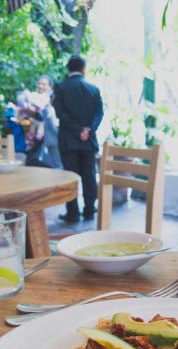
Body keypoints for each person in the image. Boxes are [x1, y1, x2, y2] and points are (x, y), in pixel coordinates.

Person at [53, 55, 104, 223]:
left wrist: (78, 130)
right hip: (88, 140)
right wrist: (88, 129)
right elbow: (99, 113)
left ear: (68, 69)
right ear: (83, 68)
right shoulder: (94, 89)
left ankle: (73, 214)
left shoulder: (61, 87)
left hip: (68, 139)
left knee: (70, 177)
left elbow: (60, 113)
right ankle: (89, 210)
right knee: (89, 176)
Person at [21, 75, 62, 168]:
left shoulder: (52, 99)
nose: (40, 86)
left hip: (51, 137)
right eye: (39, 84)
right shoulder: (34, 97)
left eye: (44, 84)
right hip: (36, 138)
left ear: (49, 86)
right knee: (33, 162)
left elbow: (50, 118)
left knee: (55, 164)